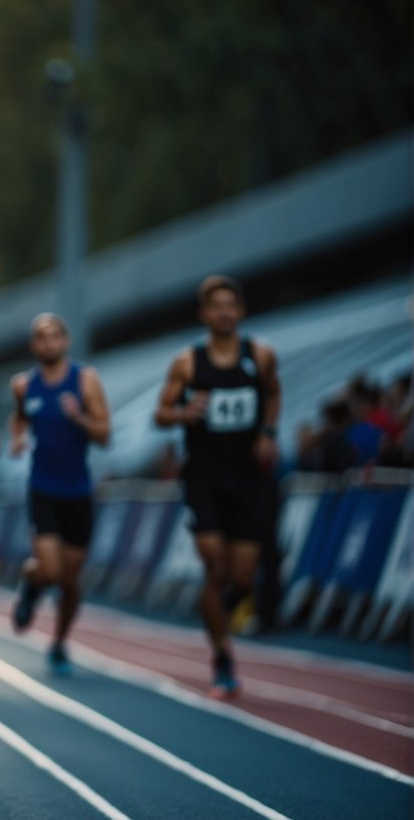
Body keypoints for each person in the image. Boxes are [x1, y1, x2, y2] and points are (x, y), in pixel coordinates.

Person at [155, 275, 281, 699]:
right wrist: (183, 412)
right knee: (215, 567)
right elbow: (160, 414)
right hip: (204, 476)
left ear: (240, 312)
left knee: (243, 577)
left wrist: (268, 432)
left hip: (247, 477)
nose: (225, 313)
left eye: (232, 305)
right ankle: (222, 654)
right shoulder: (188, 363)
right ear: (205, 315)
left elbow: (275, 394)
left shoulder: (260, 356)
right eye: (217, 306)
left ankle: (218, 614)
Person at [9, 313, 110, 676]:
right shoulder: (23, 385)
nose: (48, 343)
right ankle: (32, 584)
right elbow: (20, 417)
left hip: (79, 490)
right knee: (50, 569)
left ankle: (59, 642)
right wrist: (18, 436)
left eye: (55, 337)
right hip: (43, 487)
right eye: (41, 337)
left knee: (69, 580)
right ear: (34, 345)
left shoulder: (85, 380)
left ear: (65, 341)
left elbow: (104, 434)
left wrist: (80, 418)